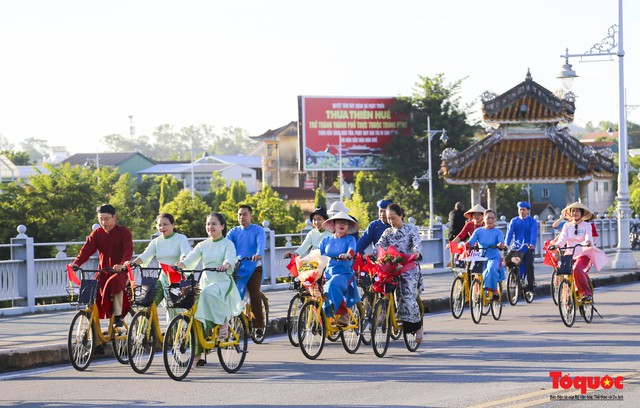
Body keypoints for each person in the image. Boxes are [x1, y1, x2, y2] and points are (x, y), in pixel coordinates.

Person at [176, 212, 242, 367]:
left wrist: (226, 265)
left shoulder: (227, 244)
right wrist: (180, 265)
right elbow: (191, 259)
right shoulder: (203, 245)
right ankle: (197, 356)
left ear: (222, 226)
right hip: (206, 281)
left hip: (222, 282)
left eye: (214, 224)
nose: (210, 227)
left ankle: (224, 321)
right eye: (208, 224)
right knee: (194, 314)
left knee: (207, 292)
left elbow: (231, 257)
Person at [70, 204, 134, 328]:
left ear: (114, 217)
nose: (103, 222)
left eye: (106, 218)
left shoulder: (124, 232)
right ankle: (95, 334)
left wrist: (122, 265)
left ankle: (117, 315)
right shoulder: (97, 233)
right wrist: (76, 263)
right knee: (91, 289)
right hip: (103, 272)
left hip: (121, 272)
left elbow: (128, 251)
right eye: (100, 219)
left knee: (115, 283)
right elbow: (86, 251)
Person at [126, 213, 191, 322]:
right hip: (163, 278)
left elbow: (185, 253)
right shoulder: (156, 242)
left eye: (165, 224)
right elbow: (144, 256)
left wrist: (180, 262)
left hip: (177, 278)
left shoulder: (180, 238)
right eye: (159, 225)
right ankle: (145, 334)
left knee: (176, 307)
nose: (162, 227)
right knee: (149, 303)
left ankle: (179, 334)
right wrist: (132, 263)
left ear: (173, 225)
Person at [376, 203, 423, 343]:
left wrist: (417, 253)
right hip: (391, 268)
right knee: (381, 288)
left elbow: (417, 244)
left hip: (409, 268)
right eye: (388, 219)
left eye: (393, 218)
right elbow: (379, 246)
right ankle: (384, 314)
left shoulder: (411, 229)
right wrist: (372, 256)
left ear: (401, 215)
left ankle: (417, 327)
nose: (391, 221)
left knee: (407, 297)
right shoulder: (387, 232)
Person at [549, 202, 607, 302]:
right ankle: (567, 299)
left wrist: (588, 242)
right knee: (563, 273)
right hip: (569, 254)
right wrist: (557, 245)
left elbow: (589, 236)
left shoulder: (586, 225)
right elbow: (563, 238)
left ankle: (586, 293)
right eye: (572, 211)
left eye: (577, 211)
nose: (574, 213)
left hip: (583, 254)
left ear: (582, 213)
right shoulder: (567, 226)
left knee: (577, 269)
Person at [226, 204, 267, 336]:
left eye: (244, 214)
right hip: (237, 268)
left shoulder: (258, 230)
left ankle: (258, 326)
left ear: (250, 216)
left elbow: (261, 244)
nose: (242, 217)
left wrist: (258, 254)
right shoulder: (233, 232)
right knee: (230, 295)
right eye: (239, 214)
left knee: (254, 295)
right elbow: (225, 246)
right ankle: (230, 325)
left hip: (254, 267)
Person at [319, 211, 361, 326]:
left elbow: (352, 250)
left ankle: (344, 314)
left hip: (344, 273)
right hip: (327, 272)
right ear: (334, 225)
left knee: (332, 284)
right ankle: (321, 320)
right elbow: (318, 254)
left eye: (345, 223)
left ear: (348, 226)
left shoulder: (350, 239)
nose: (342, 225)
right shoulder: (326, 240)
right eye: (339, 223)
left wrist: (347, 255)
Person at [466, 209, 507, 300]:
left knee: (491, 268)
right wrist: (466, 245)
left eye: (492, 218)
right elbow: (471, 241)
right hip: (481, 257)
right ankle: (478, 293)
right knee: (475, 272)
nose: (490, 220)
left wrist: (500, 245)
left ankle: (494, 290)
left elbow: (501, 242)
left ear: (494, 220)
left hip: (494, 257)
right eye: (488, 218)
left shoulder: (498, 232)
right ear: (483, 219)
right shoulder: (478, 231)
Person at [505, 201, 537, 292]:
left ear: (528, 211)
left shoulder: (532, 221)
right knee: (509, 262)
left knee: (529, 265)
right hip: (517, 247)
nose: (522, 212)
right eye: (520, 210)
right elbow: (509, 233)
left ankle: (530, 287)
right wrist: (506, 244)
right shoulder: (514, 221)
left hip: (527, 247)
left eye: (524, 210)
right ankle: (515, 279)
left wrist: (532, 244)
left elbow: (534, 233)